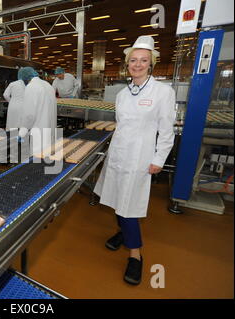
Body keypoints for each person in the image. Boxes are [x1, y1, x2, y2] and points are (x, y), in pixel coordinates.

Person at [93, 35, 176, 285]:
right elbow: (122, 125)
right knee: (118, 199)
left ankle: (135, 255)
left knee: (129, 207)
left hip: (140, 158)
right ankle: (121, 233)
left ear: (151, 64)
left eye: (143, 60)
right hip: (118, 154)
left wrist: (159, 158)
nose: (137, 64)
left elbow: (167, 130)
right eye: (133, 60)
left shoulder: (163, 92)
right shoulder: (122, 93)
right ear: (127, 63)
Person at [17, 67, 57, 155]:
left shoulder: (31, 87)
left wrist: (22, 132)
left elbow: (29, 115)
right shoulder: (47, 85)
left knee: (37, 161)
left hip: (39, 131)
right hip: (51, 129)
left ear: (24, 78)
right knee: (49, 157)